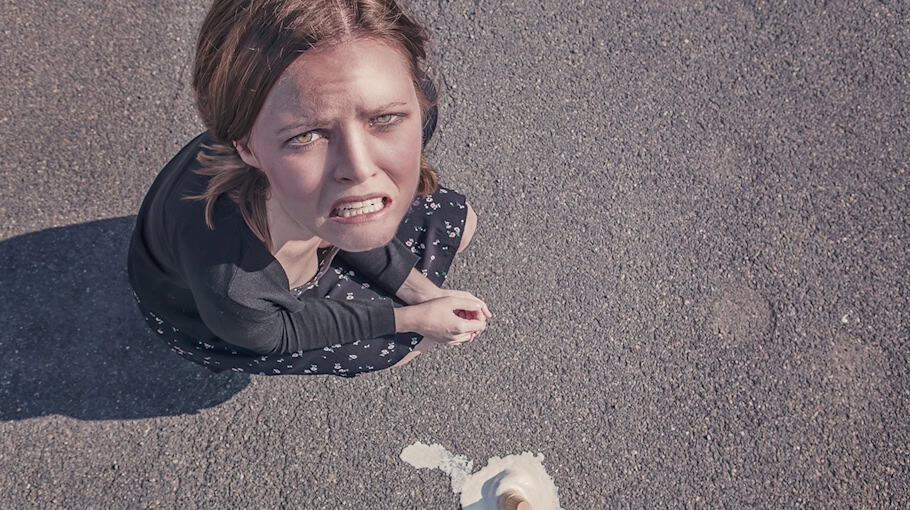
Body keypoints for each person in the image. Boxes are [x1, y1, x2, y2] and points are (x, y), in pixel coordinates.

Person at [127, 0, 492, 377]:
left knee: (460, 225)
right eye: (307, 135)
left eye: (383, 118)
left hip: (299, 224)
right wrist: (413, 318)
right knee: (403, 344)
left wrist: (420, 292)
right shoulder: (234, 281)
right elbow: (281, 331)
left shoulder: (402, 117)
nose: (360, 169)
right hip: (213, 316)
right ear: (245, 146)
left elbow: (348, 217)